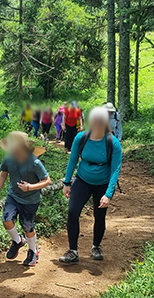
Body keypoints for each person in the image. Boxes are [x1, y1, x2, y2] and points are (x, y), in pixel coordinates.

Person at [59, 107, 122, 263]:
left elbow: (115, 170)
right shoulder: (81, 138)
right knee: (73, 212)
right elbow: (73, 160)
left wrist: (108, 194)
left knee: (99, 216)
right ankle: (72, 250)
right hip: (82, 180)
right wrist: (67, 182)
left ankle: (96, 246)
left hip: (103, 182)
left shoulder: (113, 143)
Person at [0, 131, 51, 267]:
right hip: (13, 195)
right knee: (6, 219)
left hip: (31, 199)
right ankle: (18, 241)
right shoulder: (9, 159)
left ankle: (33, 250)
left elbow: (47, 181)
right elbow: (2, 176)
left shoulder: (34, 162)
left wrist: (30, 187)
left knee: (27, 226)